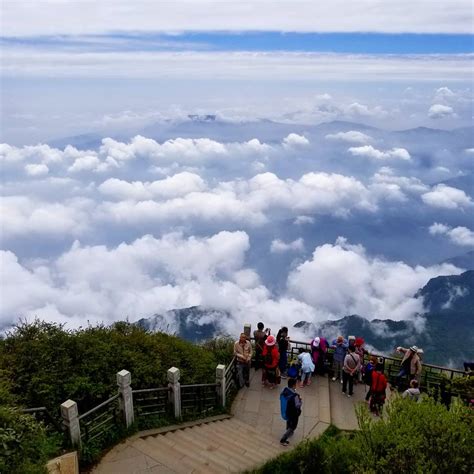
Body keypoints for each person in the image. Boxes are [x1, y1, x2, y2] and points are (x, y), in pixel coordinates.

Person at [279, 378, 303, 446]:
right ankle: (283, 439)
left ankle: (287, 428)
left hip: (287, 411)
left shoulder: (285, 390)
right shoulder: (295, 396)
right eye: (295, 384)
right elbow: (298, 405)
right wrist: (300, 399)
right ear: (293, 385)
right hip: (294, 413)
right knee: (293, 427)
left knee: (289, 421)